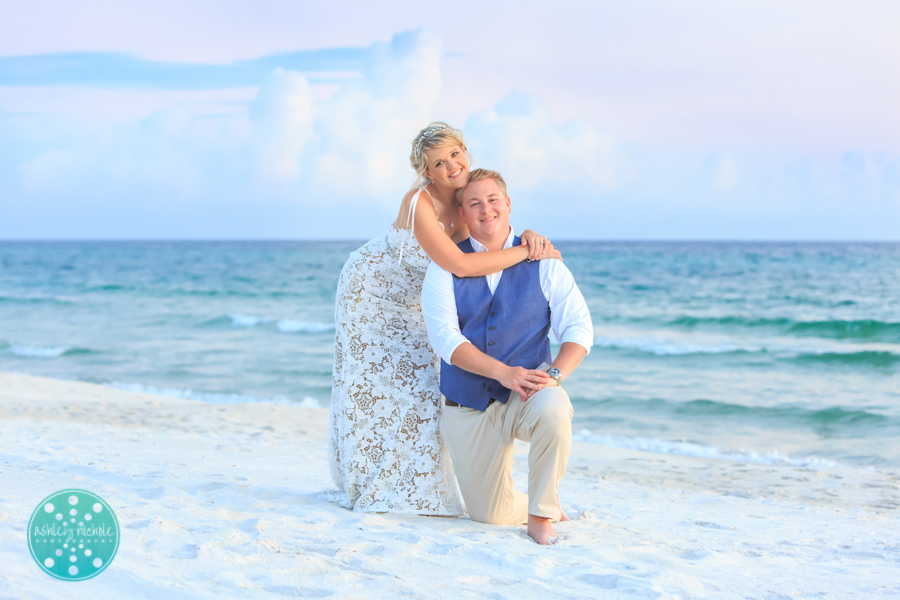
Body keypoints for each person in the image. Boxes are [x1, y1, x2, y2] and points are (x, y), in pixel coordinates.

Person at [329, 124, 562, 515]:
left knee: (426, 383)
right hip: (372, 293)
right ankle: (375, 480)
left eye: (456, 155)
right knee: (383, 386)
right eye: (439, 162)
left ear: (466, 152)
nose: (451, 166)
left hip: (416, 295)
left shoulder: (472, 193)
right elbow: (458, 263)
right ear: (427, 171)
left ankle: (420, 483)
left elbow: (494, 224)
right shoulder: (420, 200)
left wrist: (527, 237)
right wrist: (525, 253)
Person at [421, 168, 593, 544]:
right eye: (474, 203)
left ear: (508, 204)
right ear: (463, 215)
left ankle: (540, 515)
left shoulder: (545, 261)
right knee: (490, 516)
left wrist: (556, 376)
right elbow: (446, 341)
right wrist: (502, 373)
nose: (486, 210)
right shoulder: (445, 267)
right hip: (467, 402)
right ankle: (537, 503)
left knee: (554, 407)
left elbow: (579, 328)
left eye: (493, 199)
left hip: (527, 392)